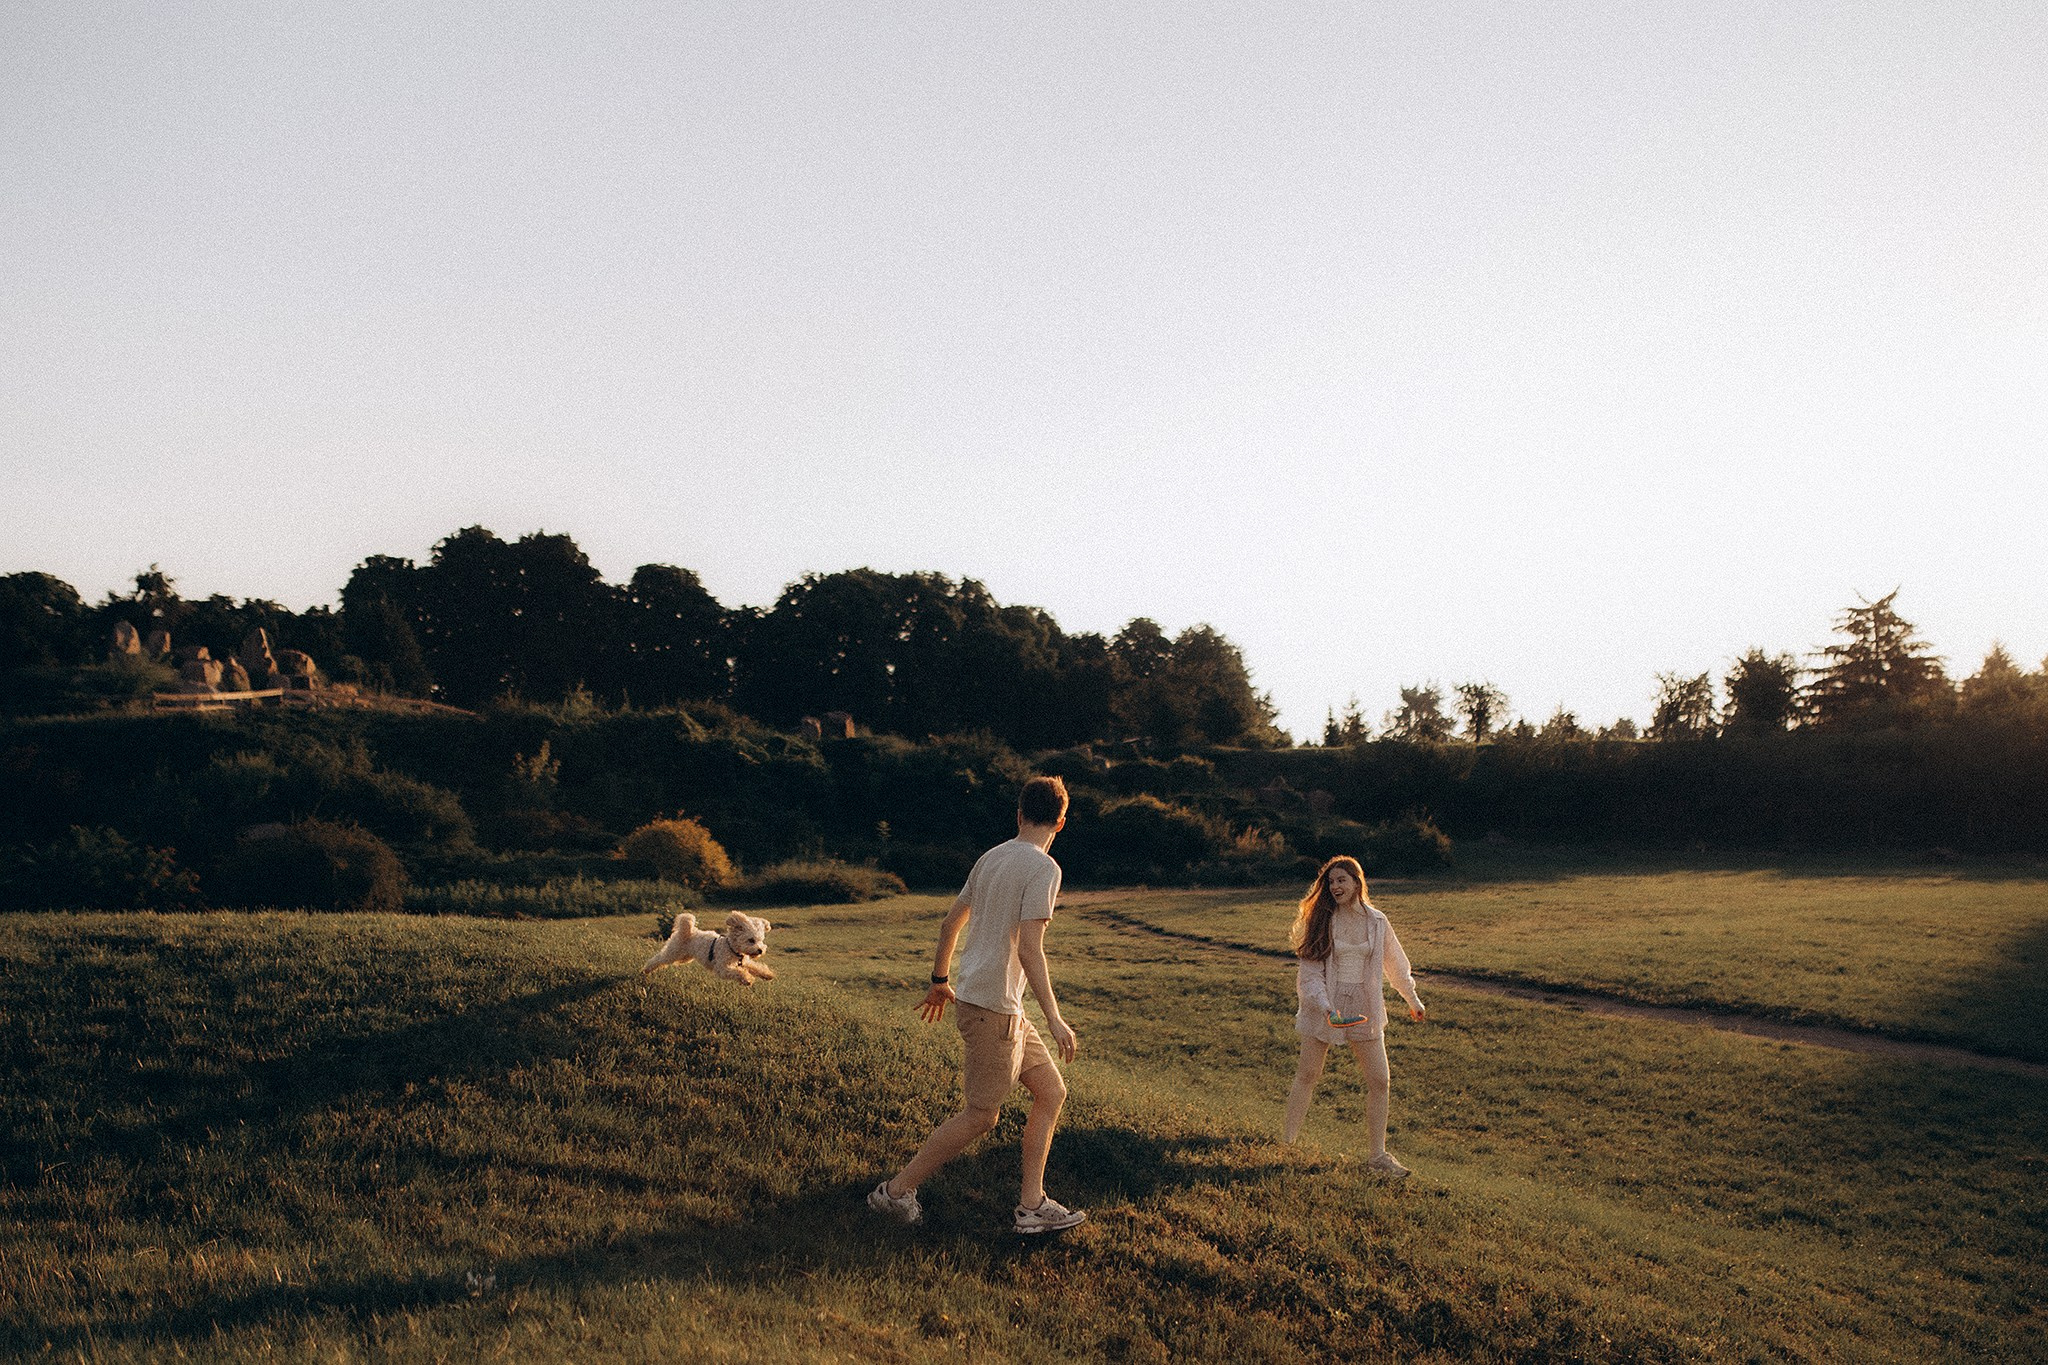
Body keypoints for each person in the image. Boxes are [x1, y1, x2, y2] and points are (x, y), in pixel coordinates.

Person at [867, 775, 1087, 1234]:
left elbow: (950, 923)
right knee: (981, 1116)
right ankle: (894, 1194)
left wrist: (939, 980)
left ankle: (1032, 1206)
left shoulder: (991, 857)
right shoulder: (1045, 869)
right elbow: (1030, 948)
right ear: (1061, 822)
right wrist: (1056, 1017)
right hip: (996, 1010)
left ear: (1020, 815)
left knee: (1051, 1092)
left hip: (997, 1005)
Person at [1282, 855, 1427, 1174]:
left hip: (1365, 1007)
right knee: (1308, 1074)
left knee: (1380, 1080)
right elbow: (1309, 976)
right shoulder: (1321, 920)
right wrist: (1326, 1008)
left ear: (1357, 882)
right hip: (1325, 1005)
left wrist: (1412, 999)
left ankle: (1377, 1157)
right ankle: (1286, 1144)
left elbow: (1396, 965)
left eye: (1341, 880)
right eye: (1331, 881)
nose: (1335, 886)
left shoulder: (1377, 921)